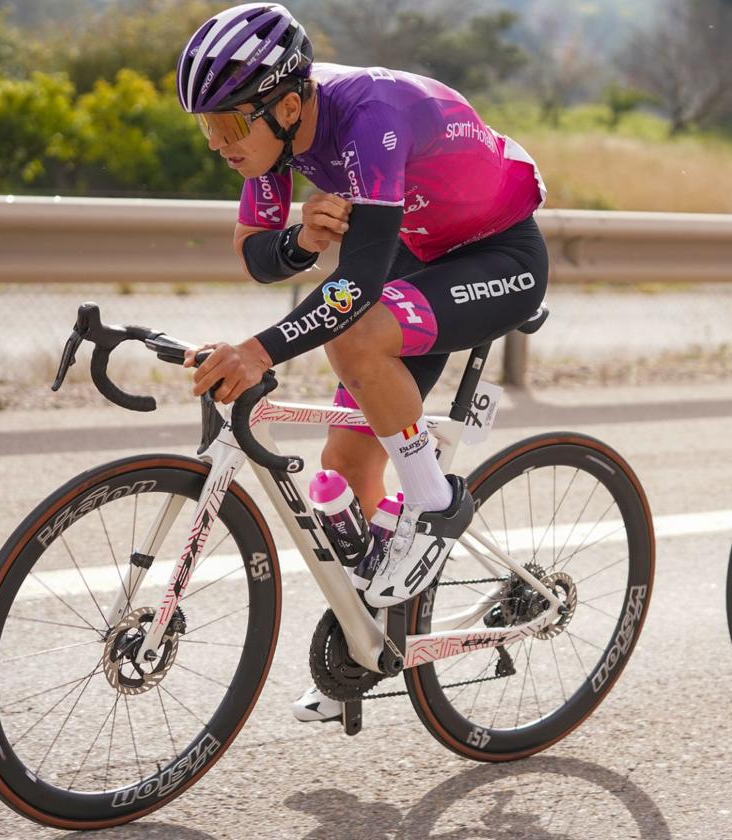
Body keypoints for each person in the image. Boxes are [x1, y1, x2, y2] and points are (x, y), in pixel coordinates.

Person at [175, 3, 548, 719]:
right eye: (207, 128)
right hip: (421, 248)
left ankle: (435, 503)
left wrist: (258, 351)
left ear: (286, 104)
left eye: (227, 127)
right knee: (342, 469)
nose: (219, 145)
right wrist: (301, 243)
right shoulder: (276, 137)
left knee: (355, 339)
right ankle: (371, 641)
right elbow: (257, 254)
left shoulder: (367, 114)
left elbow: (359, 290)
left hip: (497, 253)